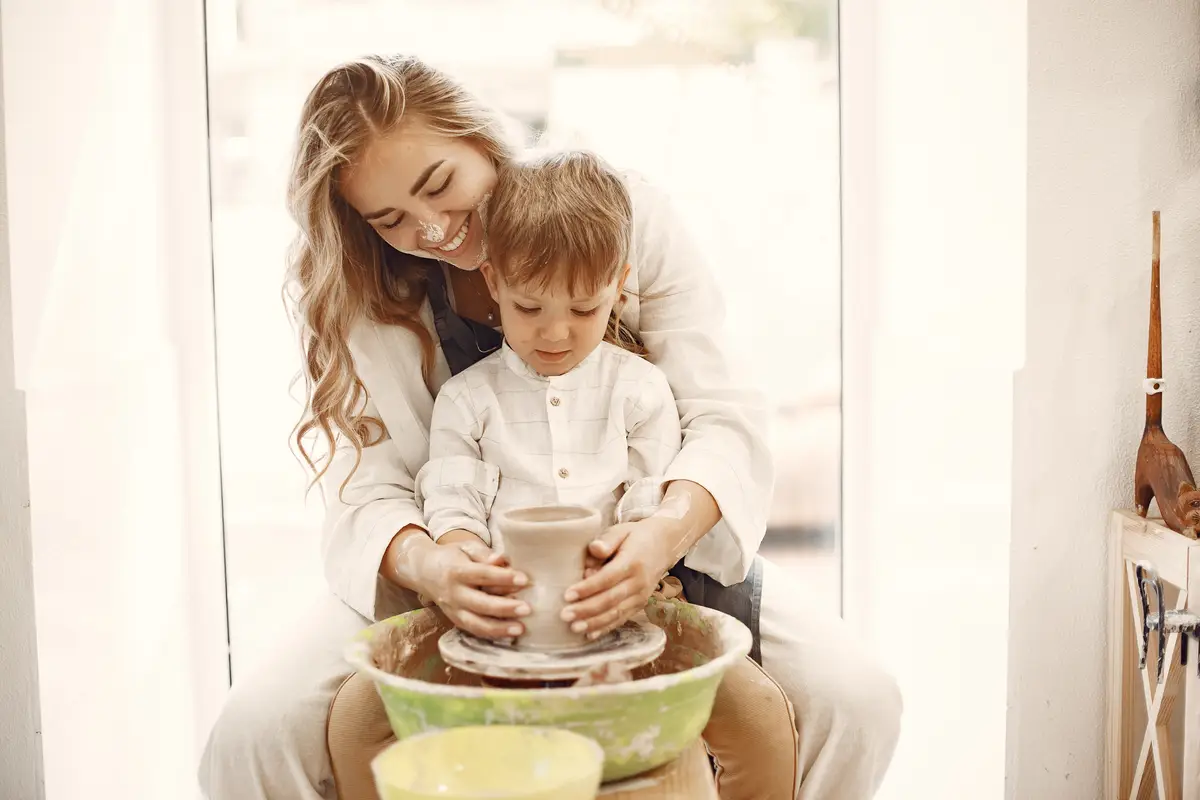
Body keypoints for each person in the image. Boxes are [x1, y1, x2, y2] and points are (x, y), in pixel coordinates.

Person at [199, 54, 902, 800]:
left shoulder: (618, 216)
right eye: (390, 219)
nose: (431, 227)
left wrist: (659, 536)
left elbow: (721, 415)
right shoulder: (372, 287)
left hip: (653, 559)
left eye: (438, 184)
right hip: (466, 576)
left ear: (482, 138)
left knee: (857, 703)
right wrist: (435, 566)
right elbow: (371, 487)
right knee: (252, 740)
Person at [417, 149, 684, 568]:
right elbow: (453, 508)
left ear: (618, 288)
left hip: (616, 584)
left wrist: (620, 560)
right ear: (493, 282)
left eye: (583, 309)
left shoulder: (641, 389)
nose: (556, 334)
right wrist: (470, 562)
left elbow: (648, 504)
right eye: (528, 308)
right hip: (506, 590)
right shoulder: (465, 399)